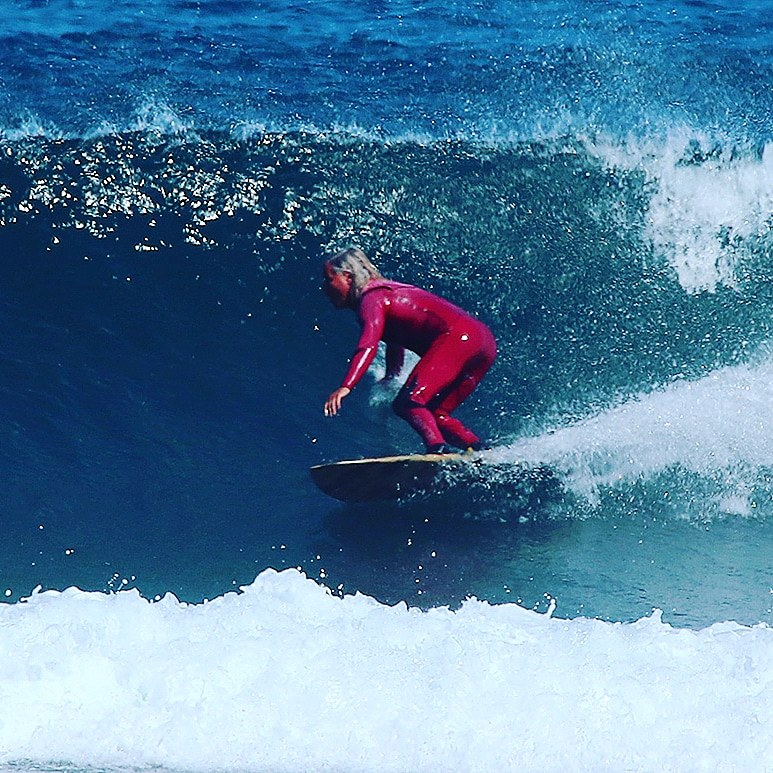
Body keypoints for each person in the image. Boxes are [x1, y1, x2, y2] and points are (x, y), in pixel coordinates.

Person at [322, 247, 496, 453]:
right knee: (436, 414)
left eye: (329, 279)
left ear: (348, 277)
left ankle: (437, 450)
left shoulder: (371, 298)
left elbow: (368, 344)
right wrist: (391, 375)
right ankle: (481, 451)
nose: (325, 287)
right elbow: (396, 338)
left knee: (408, 403)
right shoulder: (386, 290)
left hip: (458, 338)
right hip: (483, 342)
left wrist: (346, 387)